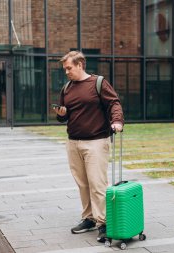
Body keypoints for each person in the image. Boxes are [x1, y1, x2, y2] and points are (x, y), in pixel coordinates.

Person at [54, 51, 124, 242]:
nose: (66, 72)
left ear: (80, 65)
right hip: (73, 142)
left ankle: (104, 223)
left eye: (69, 68)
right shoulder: (67, 88)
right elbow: (64, 116)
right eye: (65, 69)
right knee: (83, 184)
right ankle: (89, 218)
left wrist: (117, 121)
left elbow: (114, 103)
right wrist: (61, 113)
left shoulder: (98, 83)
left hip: (96, 142)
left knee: (97, 184)